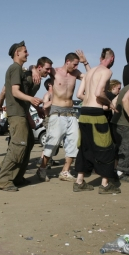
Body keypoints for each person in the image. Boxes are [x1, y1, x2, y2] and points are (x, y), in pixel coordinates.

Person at [0, 41, 44, 191]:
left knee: (28, 144)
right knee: (18, 147)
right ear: (17, 53)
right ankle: (4, 180)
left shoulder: (18, 69)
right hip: (16, 114)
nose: (27, 53)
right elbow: (15, 91)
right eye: (25, 51)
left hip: (21, 113)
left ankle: (17, 177)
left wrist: (33, 69)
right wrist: (31, 99)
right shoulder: (14, 68)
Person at [37, 51, 90, 182]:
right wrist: (33, 71)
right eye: (75, 64)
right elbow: (38, 68)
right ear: (67, 62)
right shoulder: (54, 72)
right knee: (52, 141)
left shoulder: (76, 73)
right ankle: (42, 169)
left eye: (78, 65)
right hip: (57, 112)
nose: (76, 67)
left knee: (74, 142)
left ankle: (65, 171)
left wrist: (85, 62)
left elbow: (91, 77)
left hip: (71, 112)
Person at [73, 48, 120, 194]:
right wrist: (109, 103)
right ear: (111, 59)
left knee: (85, 148)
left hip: (84, 114)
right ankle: (105, 185)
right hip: (96, 115)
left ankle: (79, 182)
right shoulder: (107, 72)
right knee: (106, 147)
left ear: (101, 57)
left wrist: (94, 101)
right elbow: (99, 92)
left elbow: (79, 94)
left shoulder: (89, 72)